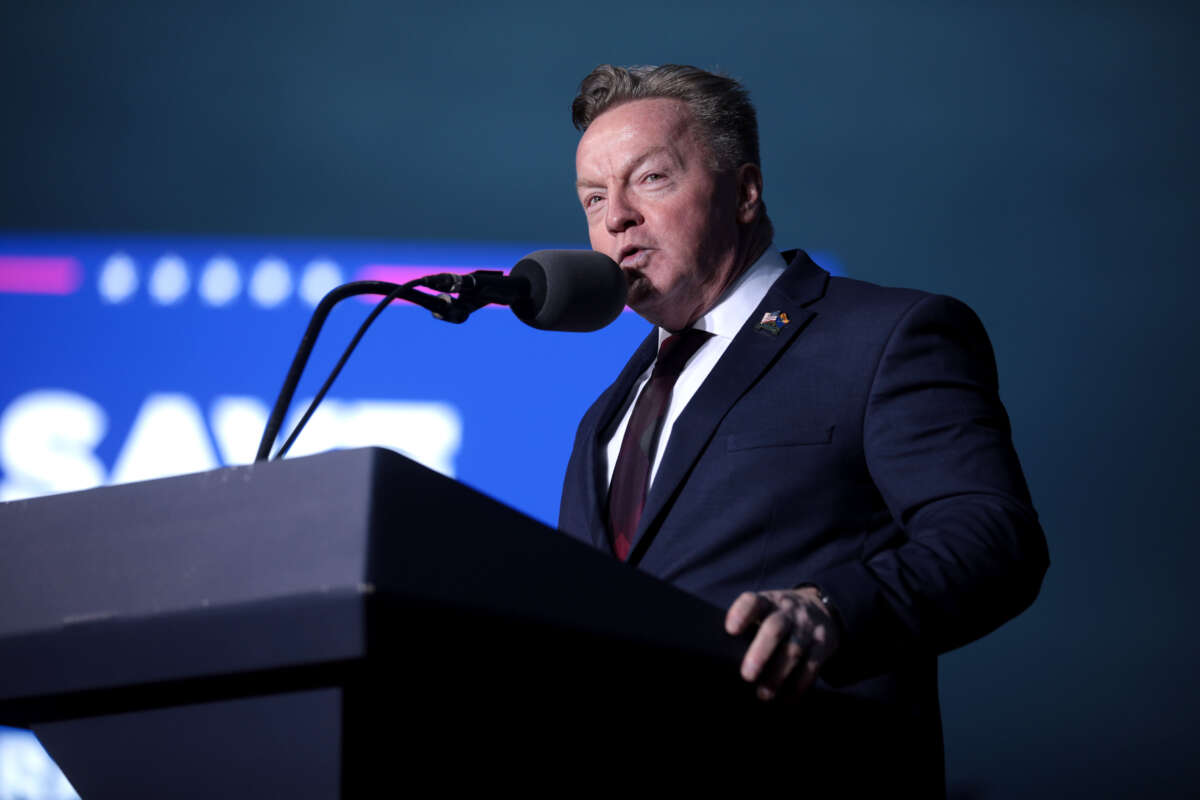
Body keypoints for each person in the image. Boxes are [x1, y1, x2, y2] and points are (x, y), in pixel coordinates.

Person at [557, 64, 1049, 790]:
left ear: (746, 191)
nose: (616, 217)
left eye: (650, 179)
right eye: (594, 198)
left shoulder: (885, 336)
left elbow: (993, 537)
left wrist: (832, 612)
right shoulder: (604, 418)